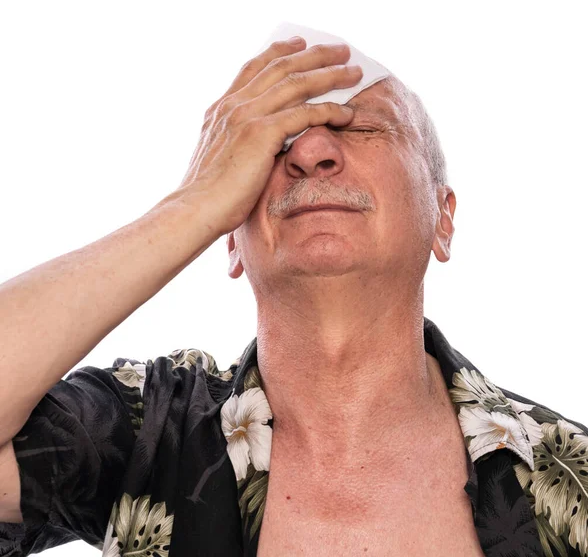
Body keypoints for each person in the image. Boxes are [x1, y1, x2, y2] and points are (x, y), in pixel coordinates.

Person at [0, 35, 586, 557]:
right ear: (231, 239)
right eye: (275, 145)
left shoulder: (573, 476)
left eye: (361, 127)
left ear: (444, 219)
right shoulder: (148, 429)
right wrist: (191, 206)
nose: (309, 154)